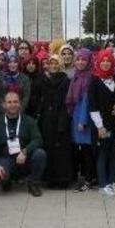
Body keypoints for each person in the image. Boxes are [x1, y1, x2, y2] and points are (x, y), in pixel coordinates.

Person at [0, 90, 46, 197]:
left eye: (15, 102)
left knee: (40, 154)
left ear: (20, 104)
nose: (12, 105)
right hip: (6, 158)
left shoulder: (28, 121)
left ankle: (33, 183)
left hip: (23, 158)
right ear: (3, 105)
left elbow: (38, 139)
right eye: (9, 102)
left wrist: (25, 151)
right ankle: (6, 181)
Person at [88, 49, 115, 196]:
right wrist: (100, 126)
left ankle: (111, 182)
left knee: (114, 153)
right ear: (98, 62)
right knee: (102, 154)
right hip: (101, 125)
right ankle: (103, 184)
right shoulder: (94, 81)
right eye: (103, 61)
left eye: (108, 60)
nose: (106, 63)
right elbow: (92, 106)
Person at [38, 55, 75, 188]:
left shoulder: (65, 80)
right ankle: (50, 178)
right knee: (49, 148)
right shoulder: (46, 79)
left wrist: (63, 121)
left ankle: (62, 179)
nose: (53, 66)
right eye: (51, 63)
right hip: (48, 118)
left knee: (61, 150)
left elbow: (67, 102)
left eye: (55, 64)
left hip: (60, 117)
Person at [67, 48, 96, 192]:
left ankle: (89, 179)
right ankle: (85, 177)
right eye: (78, 59)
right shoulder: (76, 76)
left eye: (83, 59)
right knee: (80, 150)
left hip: (84, 119)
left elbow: (86, 101)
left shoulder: (89, 78)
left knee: (87, 150)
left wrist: (83, 121)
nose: (80, 62)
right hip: (75, 117)